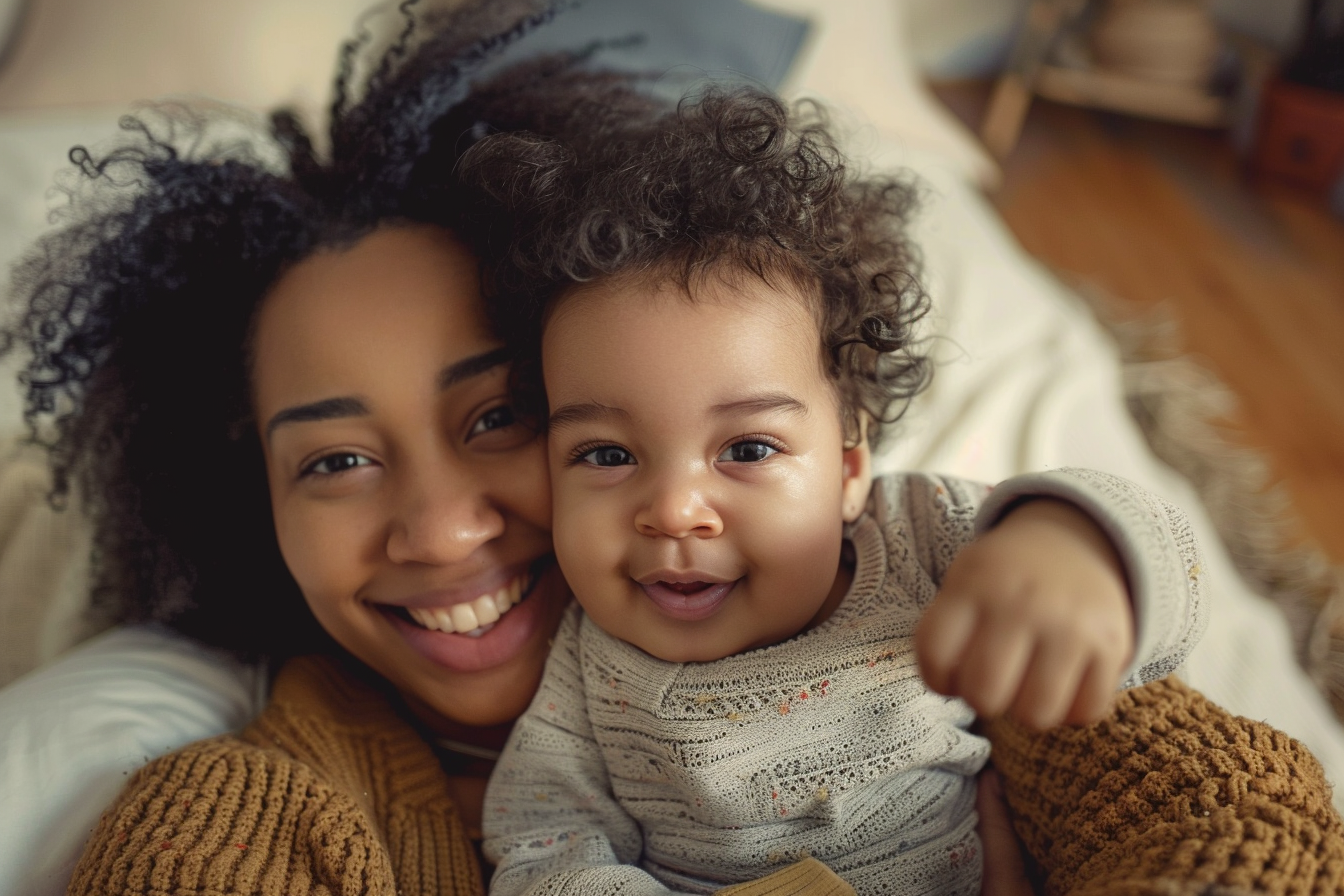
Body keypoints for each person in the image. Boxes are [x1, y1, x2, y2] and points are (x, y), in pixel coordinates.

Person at [2, 2, 1341, 895]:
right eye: (336, 461)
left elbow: (1214, 801)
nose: (441, 526)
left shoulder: (924, 592)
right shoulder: (309, 757)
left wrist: (1077, 547)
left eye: (495, 418)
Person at [466, 85, 1207, 895]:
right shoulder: (589, 670)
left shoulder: (922, 539)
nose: (674, 509)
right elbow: (544, 848)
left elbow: (1168, 586)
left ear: (851, 471)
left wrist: (1073, 545)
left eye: (746, 448)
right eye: (606, 455)